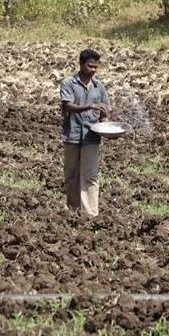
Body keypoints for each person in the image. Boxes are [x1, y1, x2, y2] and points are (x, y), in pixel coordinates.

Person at [60, 48, 111, 217]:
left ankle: (90, 214)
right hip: (72, 134)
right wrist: (89, 106)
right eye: (90, 66)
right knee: (72, 175)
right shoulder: (69, 83)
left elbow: (104, 113)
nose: (93, 70)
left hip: (91, 137)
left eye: (96, 67)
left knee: (90, 176)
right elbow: (67, 105)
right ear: (81, 64)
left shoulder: (99, 87)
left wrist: (107, 128)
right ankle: (73, 210)